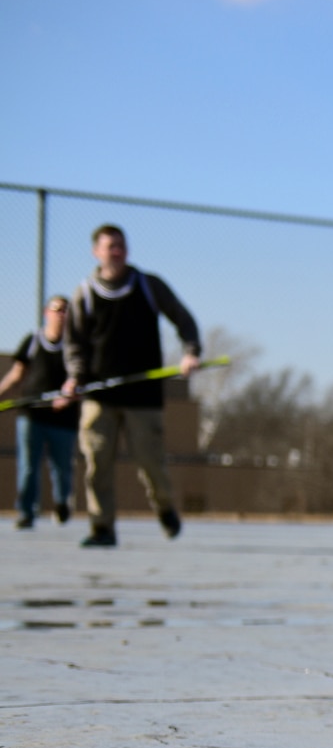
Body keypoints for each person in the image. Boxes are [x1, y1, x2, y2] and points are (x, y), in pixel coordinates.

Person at [61, 224, 201, 548]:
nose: (117, 251)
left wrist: (190, 353)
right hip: (100, 396)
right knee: (97, 465)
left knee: (151, 465)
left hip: (143, 397)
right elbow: (75, 344)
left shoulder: (148, 286)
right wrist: (75, 377)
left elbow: (184, 319)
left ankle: (166, 510)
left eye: (121, 245)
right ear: (96, 251)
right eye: (110, 246)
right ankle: (102, 528)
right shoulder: (84, 292)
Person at [2, 296, 79, 529]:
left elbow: (82, 380)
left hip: (63, 419)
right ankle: (26, 512)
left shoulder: (74, 347)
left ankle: (62, 504)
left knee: (62, 469)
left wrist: (68, 397)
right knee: (28, 466)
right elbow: (17, 375)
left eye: (66, 311)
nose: (61, 314)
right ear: (47, 312)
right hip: (31, 415)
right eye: (57, 310)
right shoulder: (33, 341)